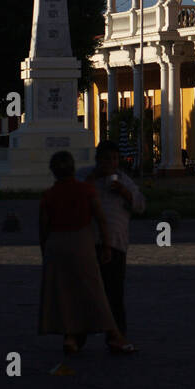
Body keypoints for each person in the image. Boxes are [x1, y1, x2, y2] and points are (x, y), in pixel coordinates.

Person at [38, 151, 135, 355]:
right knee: (96, 292)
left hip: (56, 243)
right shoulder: (85, 190)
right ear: (73, 168)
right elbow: (100, 219)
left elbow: (43, 226)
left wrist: (45, 250)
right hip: (81, 241)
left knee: (65, 293)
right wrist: (107, 245)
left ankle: (71, 337)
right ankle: (115, 335)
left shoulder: (48, 195)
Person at [77, 140, 145, 343]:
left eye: (114, 159)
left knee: (114, 293)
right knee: (85, 292)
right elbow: (74, 199)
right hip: (88, 242)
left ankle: (116, 336)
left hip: (116, 243)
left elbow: (141, 206)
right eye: (106, 159)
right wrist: (91, 180)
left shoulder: (124, 180)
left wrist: (125, 192)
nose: (110, 163)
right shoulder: (84, 176)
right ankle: (76, 337)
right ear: (97, 160)